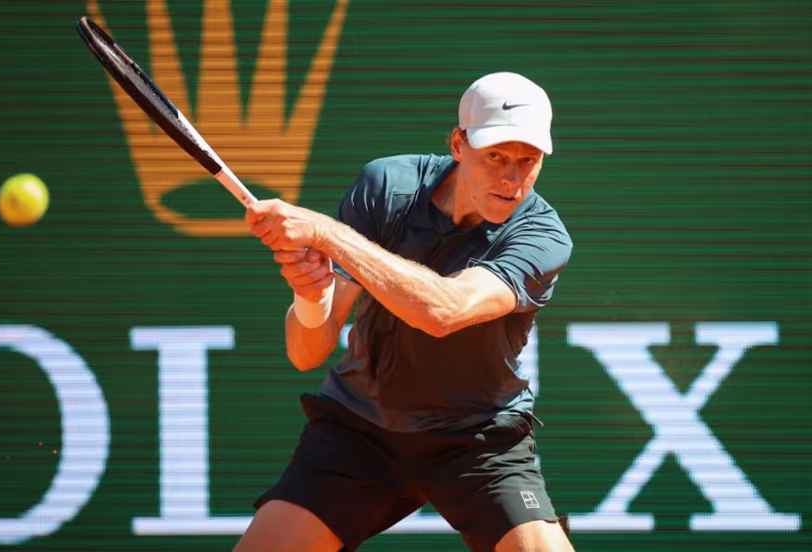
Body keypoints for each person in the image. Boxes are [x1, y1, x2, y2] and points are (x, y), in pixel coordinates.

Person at [235, 72, 575, 552]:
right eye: (495, 156)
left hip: (476, 439)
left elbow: (443, 311)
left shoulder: (542, 235)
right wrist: (310, 296)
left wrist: (328, 234)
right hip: (359, 432)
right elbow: (307, 353)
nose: (511, 178)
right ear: (459, 144)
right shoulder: (387, 186)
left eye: (528, 160)